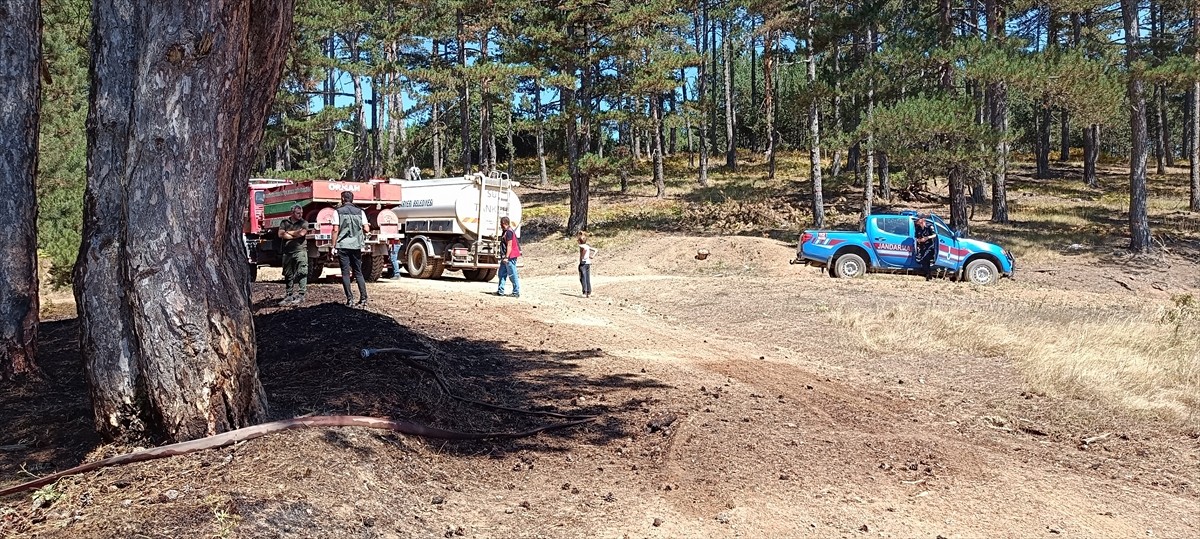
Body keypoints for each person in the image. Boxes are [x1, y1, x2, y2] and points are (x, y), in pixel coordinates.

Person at [331, 190, 370, 306]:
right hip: (356, 245)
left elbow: (335, 230)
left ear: (343, 199)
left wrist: (333, 246)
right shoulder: (360, 212)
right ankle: (363, 298)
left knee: (345, 273)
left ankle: (350, 299)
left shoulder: (337, 212)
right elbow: (366, 229)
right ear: (352, 199)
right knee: (358, 272)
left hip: (343, 246)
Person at [278, 204, 309, 306]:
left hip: (300, 250)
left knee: (302, 272)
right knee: (288, 274)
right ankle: (289, 295)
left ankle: (301, 295)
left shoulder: (304, 222)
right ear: (292, 213)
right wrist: (295, 234)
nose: (300, 215)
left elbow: (302, 233)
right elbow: (280, 234)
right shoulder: (284, 222)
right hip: (287, 251)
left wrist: (288, 232)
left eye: (301, 213)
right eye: (298, 213)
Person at [496, 216, 521, 298]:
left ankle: (516, 292)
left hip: (510, 256)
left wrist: (506, 257)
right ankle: (500, 290)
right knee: (501, 273)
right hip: (505, 256)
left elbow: (509, 245)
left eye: (501, 223)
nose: (500, 225)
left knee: (512, 274)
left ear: (504, 223)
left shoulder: (509, 232)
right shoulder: (505, 231)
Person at [914, 215, 938, 281]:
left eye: (918, 219)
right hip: (922, 247)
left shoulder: (929, 226)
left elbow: (935, 235)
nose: (917, 221)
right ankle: (928, 276)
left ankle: (929, 275)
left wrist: (927, 238)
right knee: (923, 261)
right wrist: (919, 240)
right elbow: (916, 237)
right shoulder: (918, 228)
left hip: (929, 247)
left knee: (925, 259)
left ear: (922, 220)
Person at [577, 231, 597, 298]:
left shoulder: (581, 246)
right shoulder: (587, 246)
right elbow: (595, 250)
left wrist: (582, 257)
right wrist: (592, 256)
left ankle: (584, 292)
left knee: (582, 278)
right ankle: (589, 292)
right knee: (587, 277)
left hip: (583, 263)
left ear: (580, 241)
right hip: (588, 263)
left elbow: (584, 250)